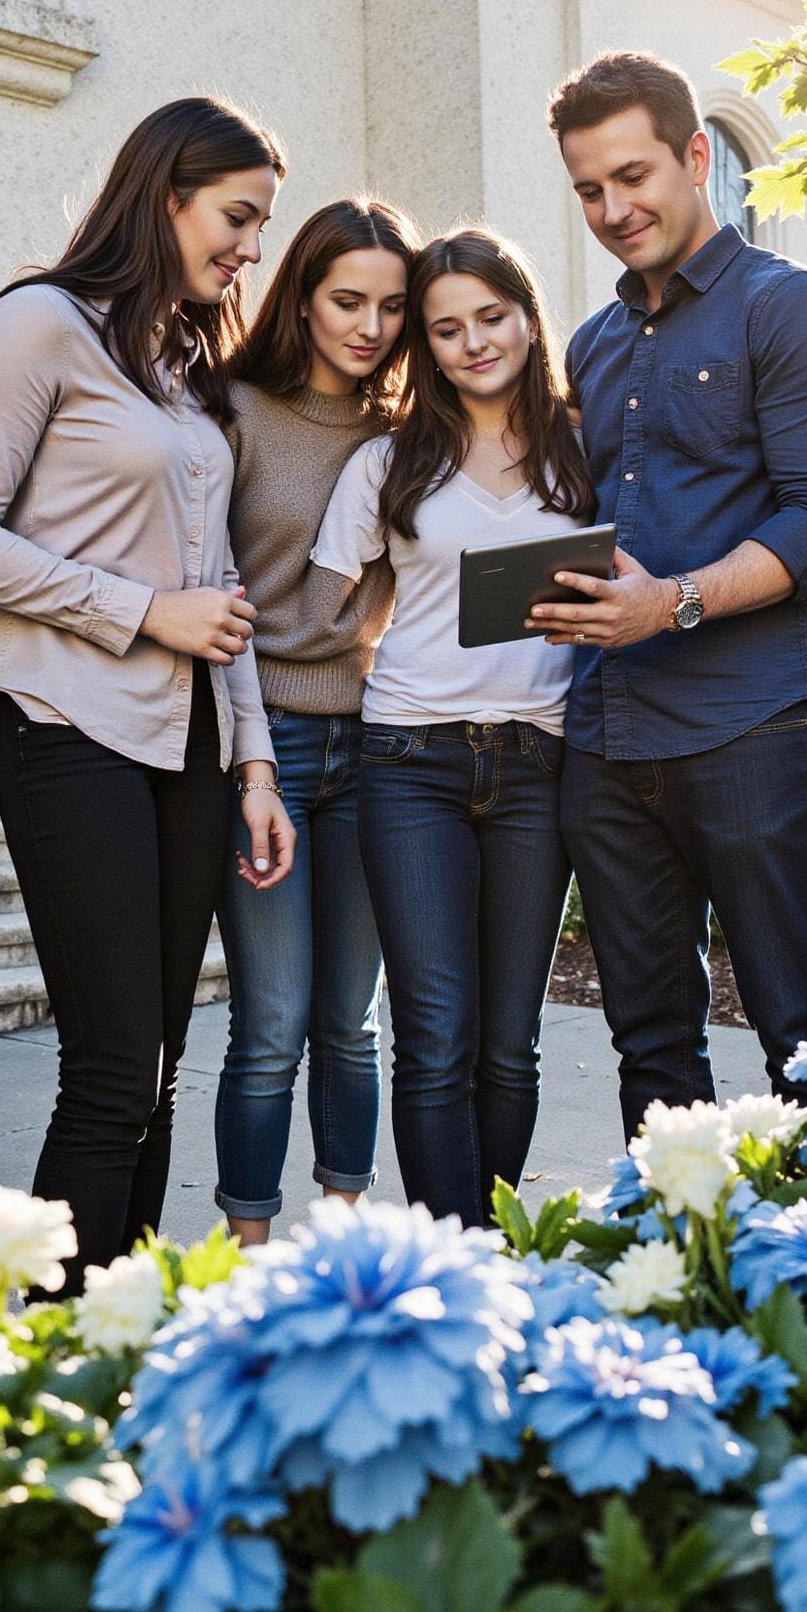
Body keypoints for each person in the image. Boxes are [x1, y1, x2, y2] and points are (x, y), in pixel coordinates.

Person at [0, 95, 297, 1295]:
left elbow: (219, 584)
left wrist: (254, 764)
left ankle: (116, 1333)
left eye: (260, 224)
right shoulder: (37, 326)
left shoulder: (183, 365)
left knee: (163, 1060)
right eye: (236, 215)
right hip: (63, 722)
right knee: (111, 1066)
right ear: (165, 193)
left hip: (186, 740)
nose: (249, 245)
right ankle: (35, 1358)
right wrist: (137, 611)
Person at [529, 50, 807, 1140]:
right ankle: (686, 1271)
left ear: (695, 157)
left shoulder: (791, 310)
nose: (612, 208)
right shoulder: (587, 345)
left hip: (749, 728)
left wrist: (668, 603)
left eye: (632, 175)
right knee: (649, 1043)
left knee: (806, 1037)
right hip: (604, 738)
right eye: (588, 188)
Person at [311, 228, 592, 1226]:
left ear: (525, 317)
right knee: (432, 1030)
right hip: (409, 761)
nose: (471, 341)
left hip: (538, 760)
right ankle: (449, 1255)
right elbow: (315, 610)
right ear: (423, 346)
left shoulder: (584, 447)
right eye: (444, 328)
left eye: (488, 316)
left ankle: (494, 1249)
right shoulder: (388, 462)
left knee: (508, 1037)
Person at [212, 197, 421, 1244]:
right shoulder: (234, 412)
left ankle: (338, 1241)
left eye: (391, 305)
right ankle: (247, 1255)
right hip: (266, 746)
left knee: (350, 1021)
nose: (369, 325)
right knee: (272, 1020)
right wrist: (252, 761)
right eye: (346, 298)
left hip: (378, 742)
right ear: (300, 293)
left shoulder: (409, 434)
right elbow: (213, 595)